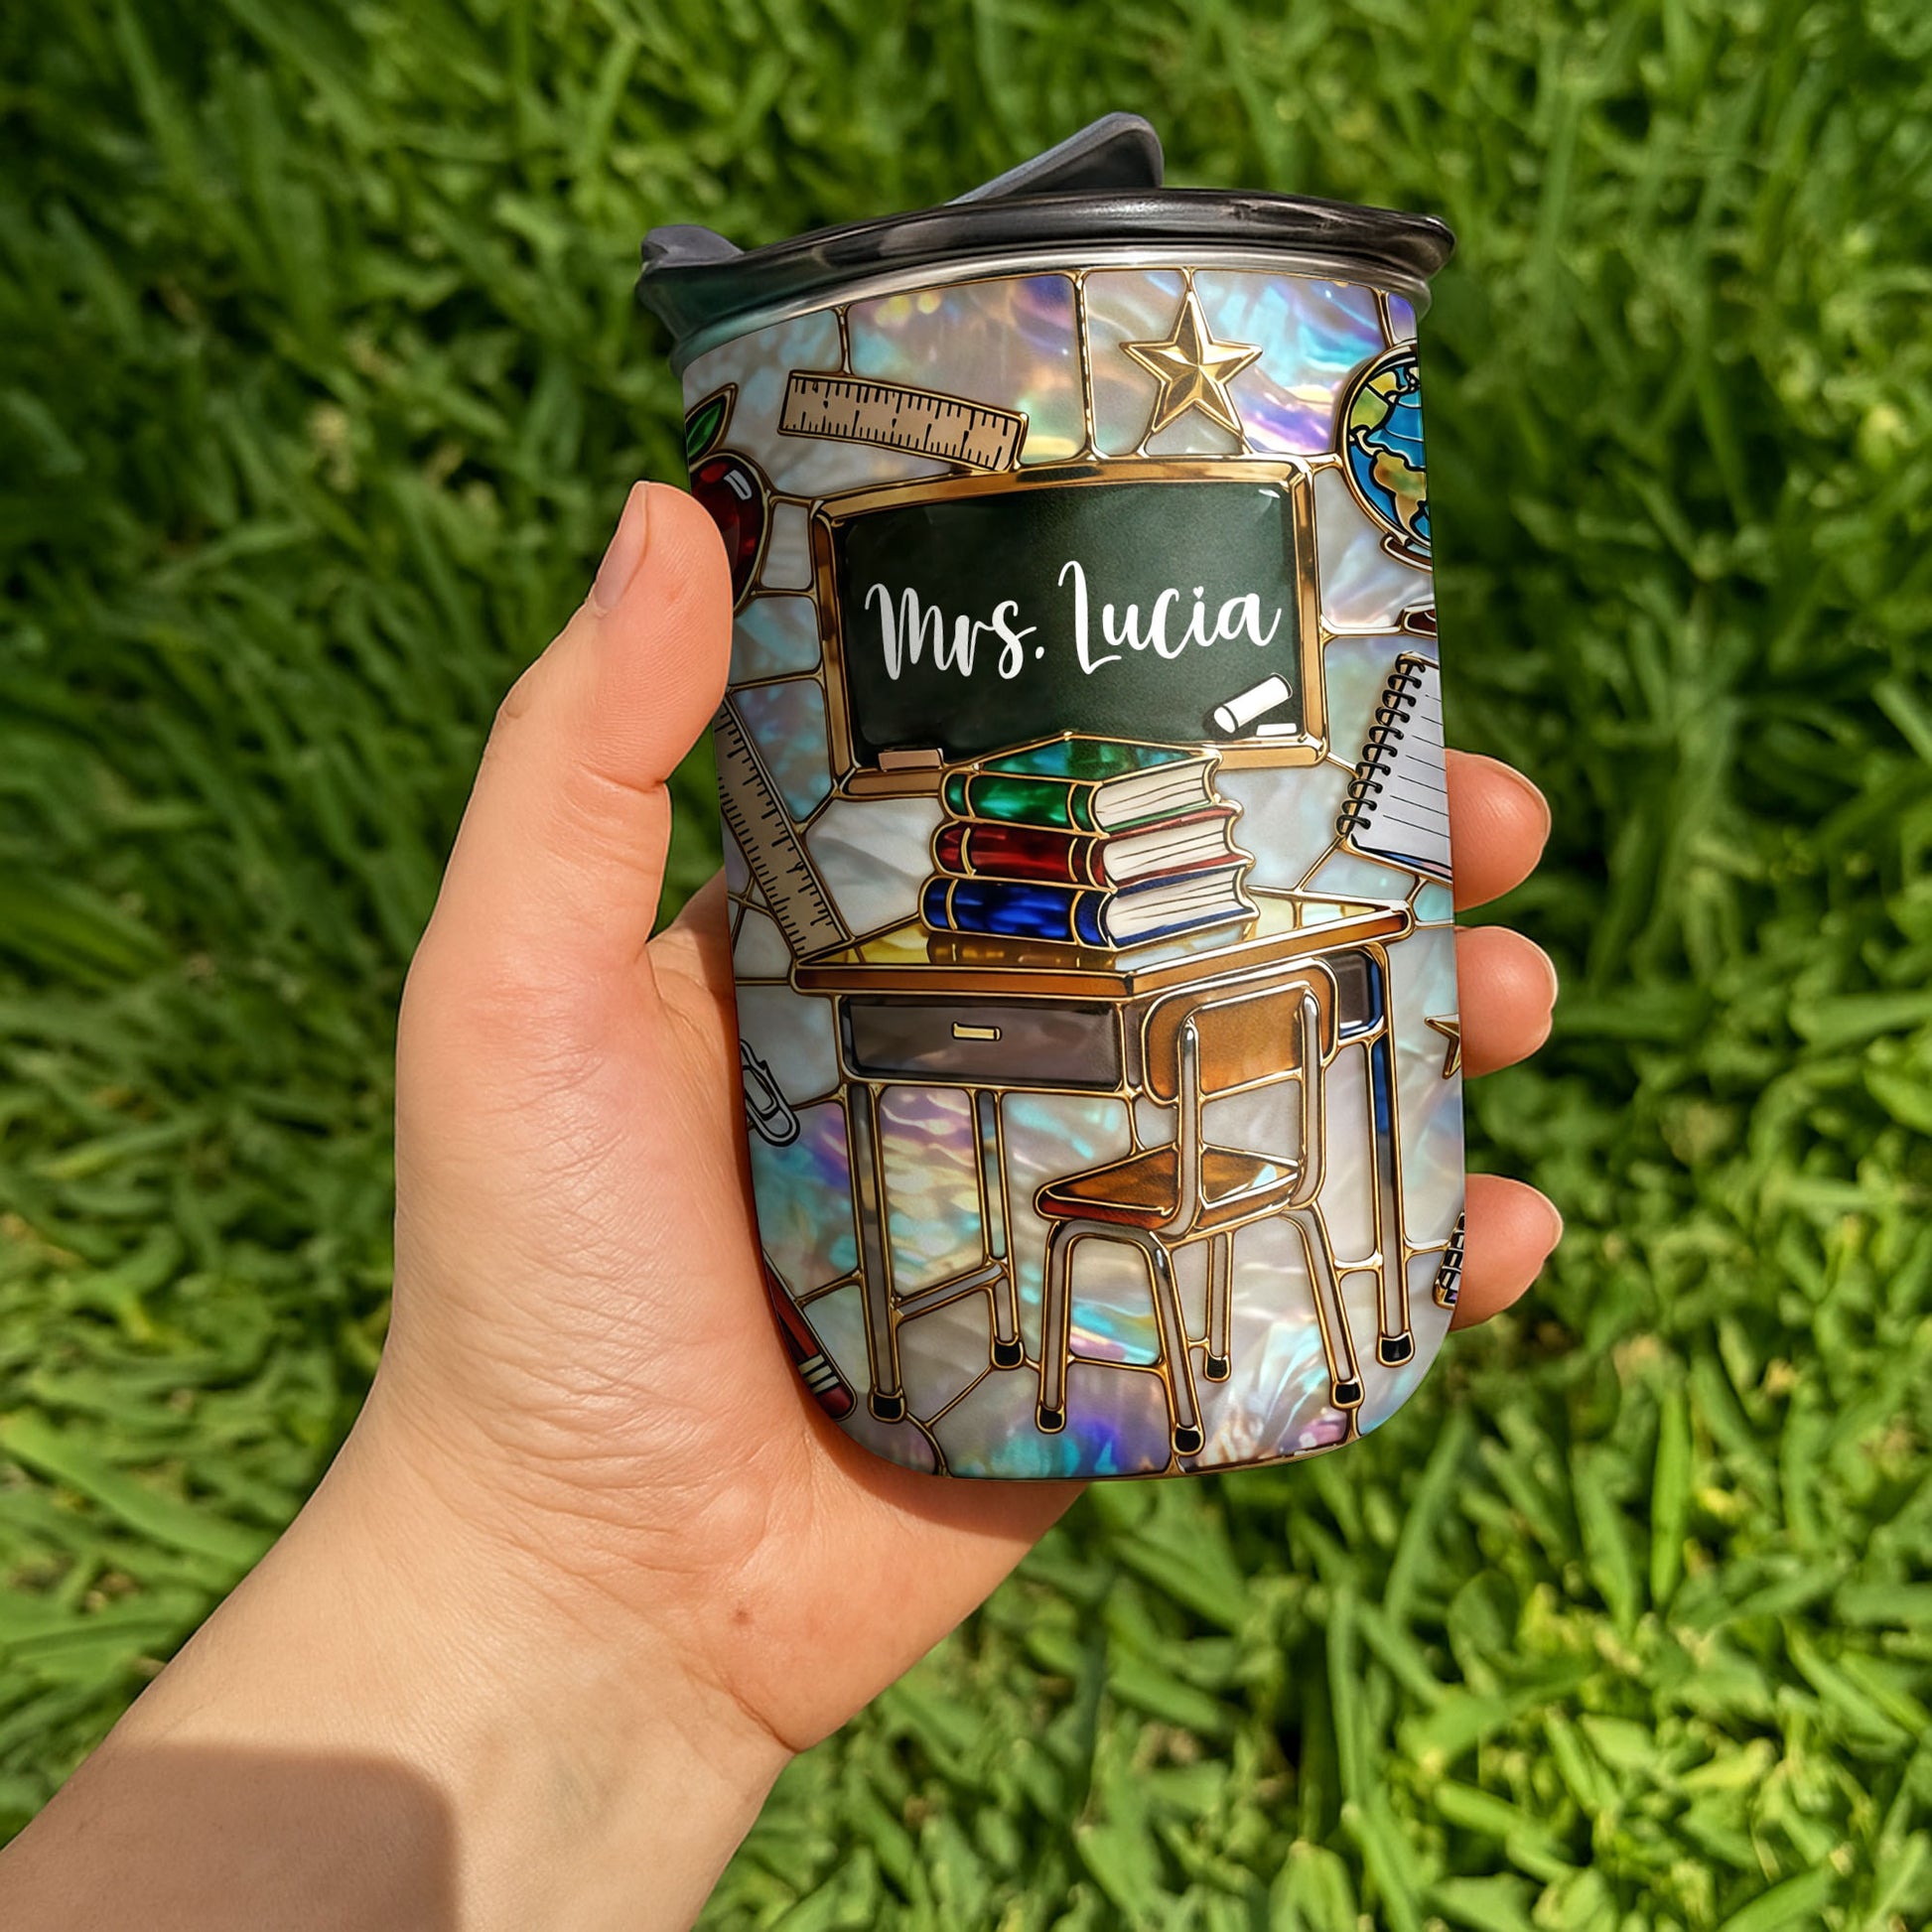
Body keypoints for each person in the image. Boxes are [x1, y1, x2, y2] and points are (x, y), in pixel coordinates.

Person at [0, 484, 1561, 1930]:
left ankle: (1029, 1331)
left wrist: (551, 1586)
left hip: (1156, 1132)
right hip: (1222, 1136)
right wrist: (552, 1557)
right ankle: (1167, 1315)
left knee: (1046, 1138)